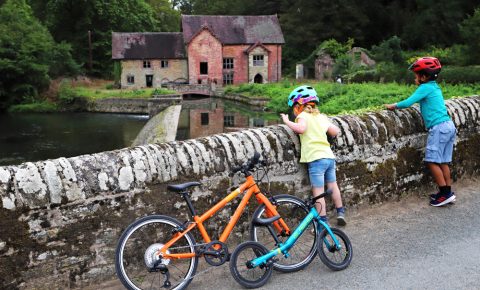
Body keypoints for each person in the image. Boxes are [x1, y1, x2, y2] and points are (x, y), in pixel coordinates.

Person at [385, 57, 456, 207]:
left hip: (439, 128)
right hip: (448, 125)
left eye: (417, 74)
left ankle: (444, 194)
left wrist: (393, 106)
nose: (415, 77)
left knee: (432, 161)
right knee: (443, 161)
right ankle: (448, 192)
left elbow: (408, 102)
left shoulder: (424, 88)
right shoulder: (435, 86)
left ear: (424, 76)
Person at [281, 85, 346, 226]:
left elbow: (301, 129)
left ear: (298, 105)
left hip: (315, 159)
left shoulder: (302, 116)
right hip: (329, 156)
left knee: (318, 191)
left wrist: (287, 121)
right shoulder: (321, 116)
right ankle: (340, 212)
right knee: (333, 185)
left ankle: (323, 222)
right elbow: (335, 131)